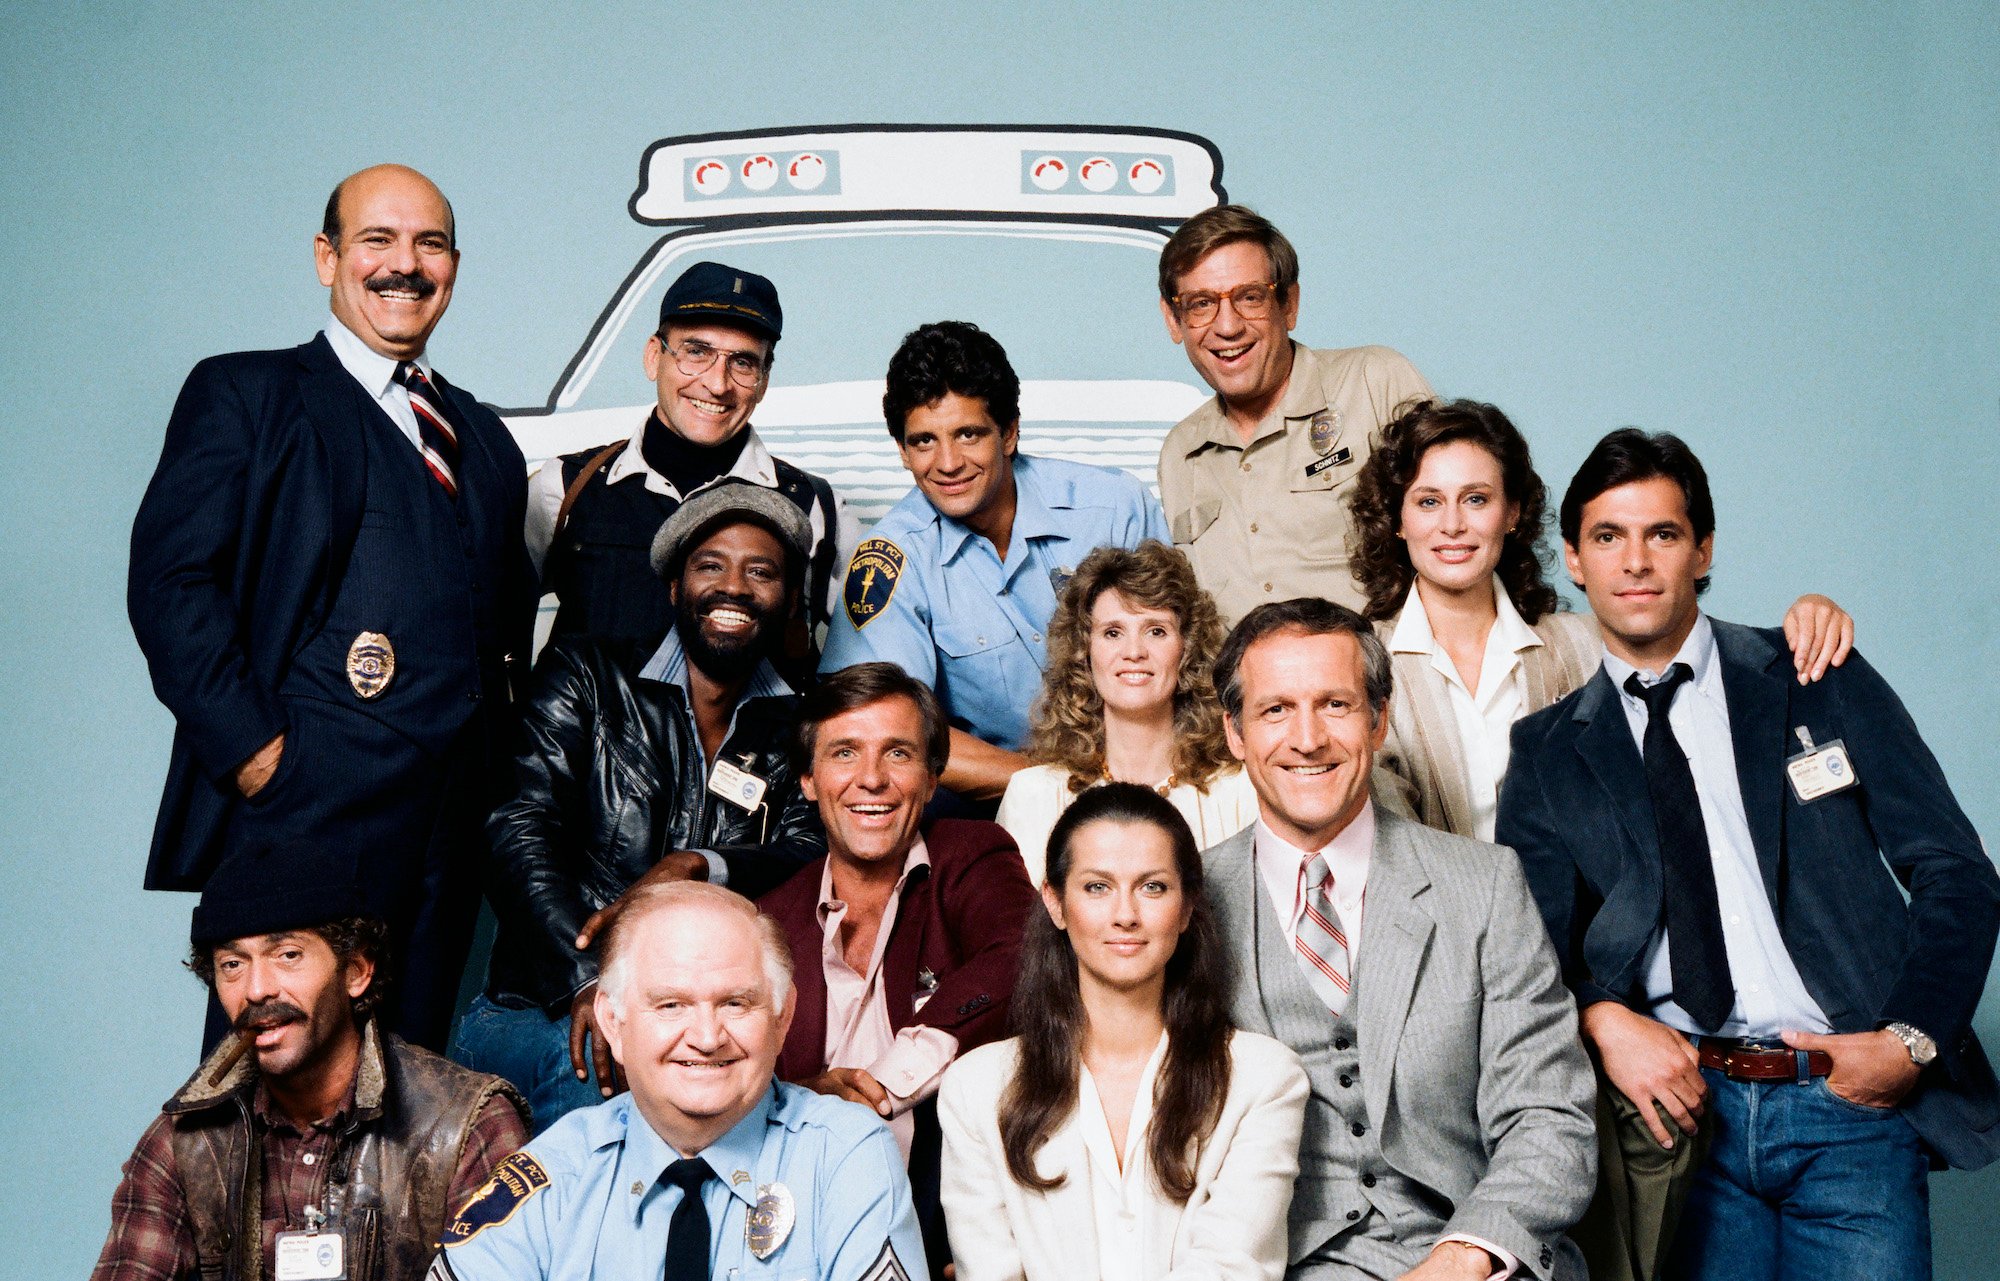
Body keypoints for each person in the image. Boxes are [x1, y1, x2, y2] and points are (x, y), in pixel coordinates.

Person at [1498, 429, 2000, 1281]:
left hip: (1847, 1103)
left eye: (1662, 533)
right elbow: (1527, 950)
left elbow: (1956, 870)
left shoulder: (1814, 675)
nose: (1635, 561)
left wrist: (1908, 1041)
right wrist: (1601, 1017)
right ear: (1575, 560)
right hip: (1680, 1119)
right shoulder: (1547, 750)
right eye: (1608, 536)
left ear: (1703, 549)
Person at [128, 164, 536, 1051]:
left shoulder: (485, 438)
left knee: (413, 1083)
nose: (405, 264)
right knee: (272, 1082)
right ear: (327, 257)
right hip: (304, 804)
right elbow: (170, 584)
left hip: (449, 830)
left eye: (430, 244)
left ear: (453, 267)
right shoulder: (249, 394)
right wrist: (260, 755)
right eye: (377, 240)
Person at [1207, 598, 1595, 1281]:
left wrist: (1467, 1252)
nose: (1307, 738)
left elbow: (1548, 1113)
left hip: (1474, 1256)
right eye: (1276, 710)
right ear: (1235, 732)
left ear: (1379, 718)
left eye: (1335, 704)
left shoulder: (1485, 885)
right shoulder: (1188, 903)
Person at [457, 481, 827, 1132]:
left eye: (761, 572)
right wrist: (590, 981)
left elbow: (806, 846)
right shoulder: (587, 675)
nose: (734, 587)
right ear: (675, 588)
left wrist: (698, 864)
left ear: (791, 599)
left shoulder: (797, 725)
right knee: (603, 1067)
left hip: (695, 1016)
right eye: (711, 566)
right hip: (541, 1003)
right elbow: (517, 826)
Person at [1348, 398, 1854, 843]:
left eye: (1476, 499)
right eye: (1429, 501)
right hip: (1435, 917)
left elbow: (1705, 662)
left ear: (1513, 513)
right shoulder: (1356, 663)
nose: (1453, 524)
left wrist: (1809, 614)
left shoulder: (1589, 642)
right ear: (1397, 519)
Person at [430, 881, 928, 1281]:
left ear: (782, 1017)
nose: (707, 1038)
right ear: (612, 1023)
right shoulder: (555, 1175)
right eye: (671, 1005)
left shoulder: (844, 1158)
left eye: (735, 1003)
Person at [93, 841, 528, 1281]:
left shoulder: (467, 1127)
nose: (256, 989)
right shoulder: (188, 1141)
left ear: (356, 971)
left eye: (288, 955)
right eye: (232, 964)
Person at [940, 783, 1310, 1281]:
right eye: (1097, 887)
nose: (1125, 915)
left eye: (1152, 887)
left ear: (1186, 908)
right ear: (1055, 903)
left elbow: (1229, 1270)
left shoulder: (1264, 1080)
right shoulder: (975, 1089)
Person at [761, 662, 1038, 1274]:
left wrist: (885, 1085)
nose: (872, 779)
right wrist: (806, 1100)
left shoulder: (970, 854)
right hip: (799, 1231)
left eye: (898, 753)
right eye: (844, 753)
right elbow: (740, 1088)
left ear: (932, 776)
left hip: (944, 1229)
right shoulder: (770, 918)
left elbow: (1021, 955)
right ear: (808, 780)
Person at [819, 321, 1170, 802]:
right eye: (923, 441)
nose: (948, 463)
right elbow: (882, 728)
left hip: (1147, 783)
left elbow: (1179, 662)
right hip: (993, 806)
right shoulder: (891, 559)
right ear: (901, 450)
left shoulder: (1114, 507)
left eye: (968, 434)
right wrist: (1061, 785)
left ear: (1009, 433)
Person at [526, 260, 856, 670]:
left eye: (742, 362)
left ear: (764, 380)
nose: (717, 384)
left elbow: (870, 663)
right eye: (696, 352)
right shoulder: (565, 488)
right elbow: (488, 627)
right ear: (654, 357)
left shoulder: (815, 508)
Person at [1154, 205, 1433, 625]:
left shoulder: (1374, 382)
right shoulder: (1180, 452)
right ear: (1174, 321)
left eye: (1250, 298)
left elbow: (1462, 530)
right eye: (1201, 304)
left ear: (1289, 304)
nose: (1227, 327)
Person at [996, 540, 1258, 884]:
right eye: (1112, 633)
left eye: (1156, 631)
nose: (1134, 652)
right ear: (1084, 652)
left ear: (1187, 649)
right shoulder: (1033, 795)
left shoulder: (1240, 789)